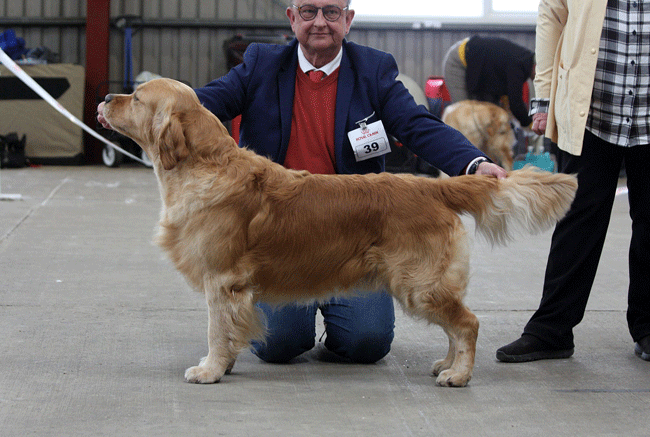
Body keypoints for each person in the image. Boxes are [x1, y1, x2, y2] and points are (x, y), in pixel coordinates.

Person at [98, 0, 507, 365]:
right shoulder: (261, 63)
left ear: (348, 20)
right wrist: (137, 115)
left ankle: (336, 313)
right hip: (282, 234)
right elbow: (200, 104)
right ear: (292, 18)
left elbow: (416, 124)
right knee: (279, 347)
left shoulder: (373, 69)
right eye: (308, 11)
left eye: (331, 12)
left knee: (366, 344)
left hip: (356, 226)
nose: (319, 23)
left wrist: (472, 163)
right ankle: (302, 317)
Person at [496, 0, 650, 363]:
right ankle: (551, 331)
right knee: (578, 222)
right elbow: (552, 15)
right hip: (590, 110)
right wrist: (544, 98)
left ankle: (647, 327)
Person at [442, 35, 535, 127]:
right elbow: (515, 103)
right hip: (459, 61)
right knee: (465, 115)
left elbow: (506, 97)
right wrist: (530, 124)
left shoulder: (524, 62)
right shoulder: (519, 64)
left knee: (489, 115)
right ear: (537, 67)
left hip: (477, 63)